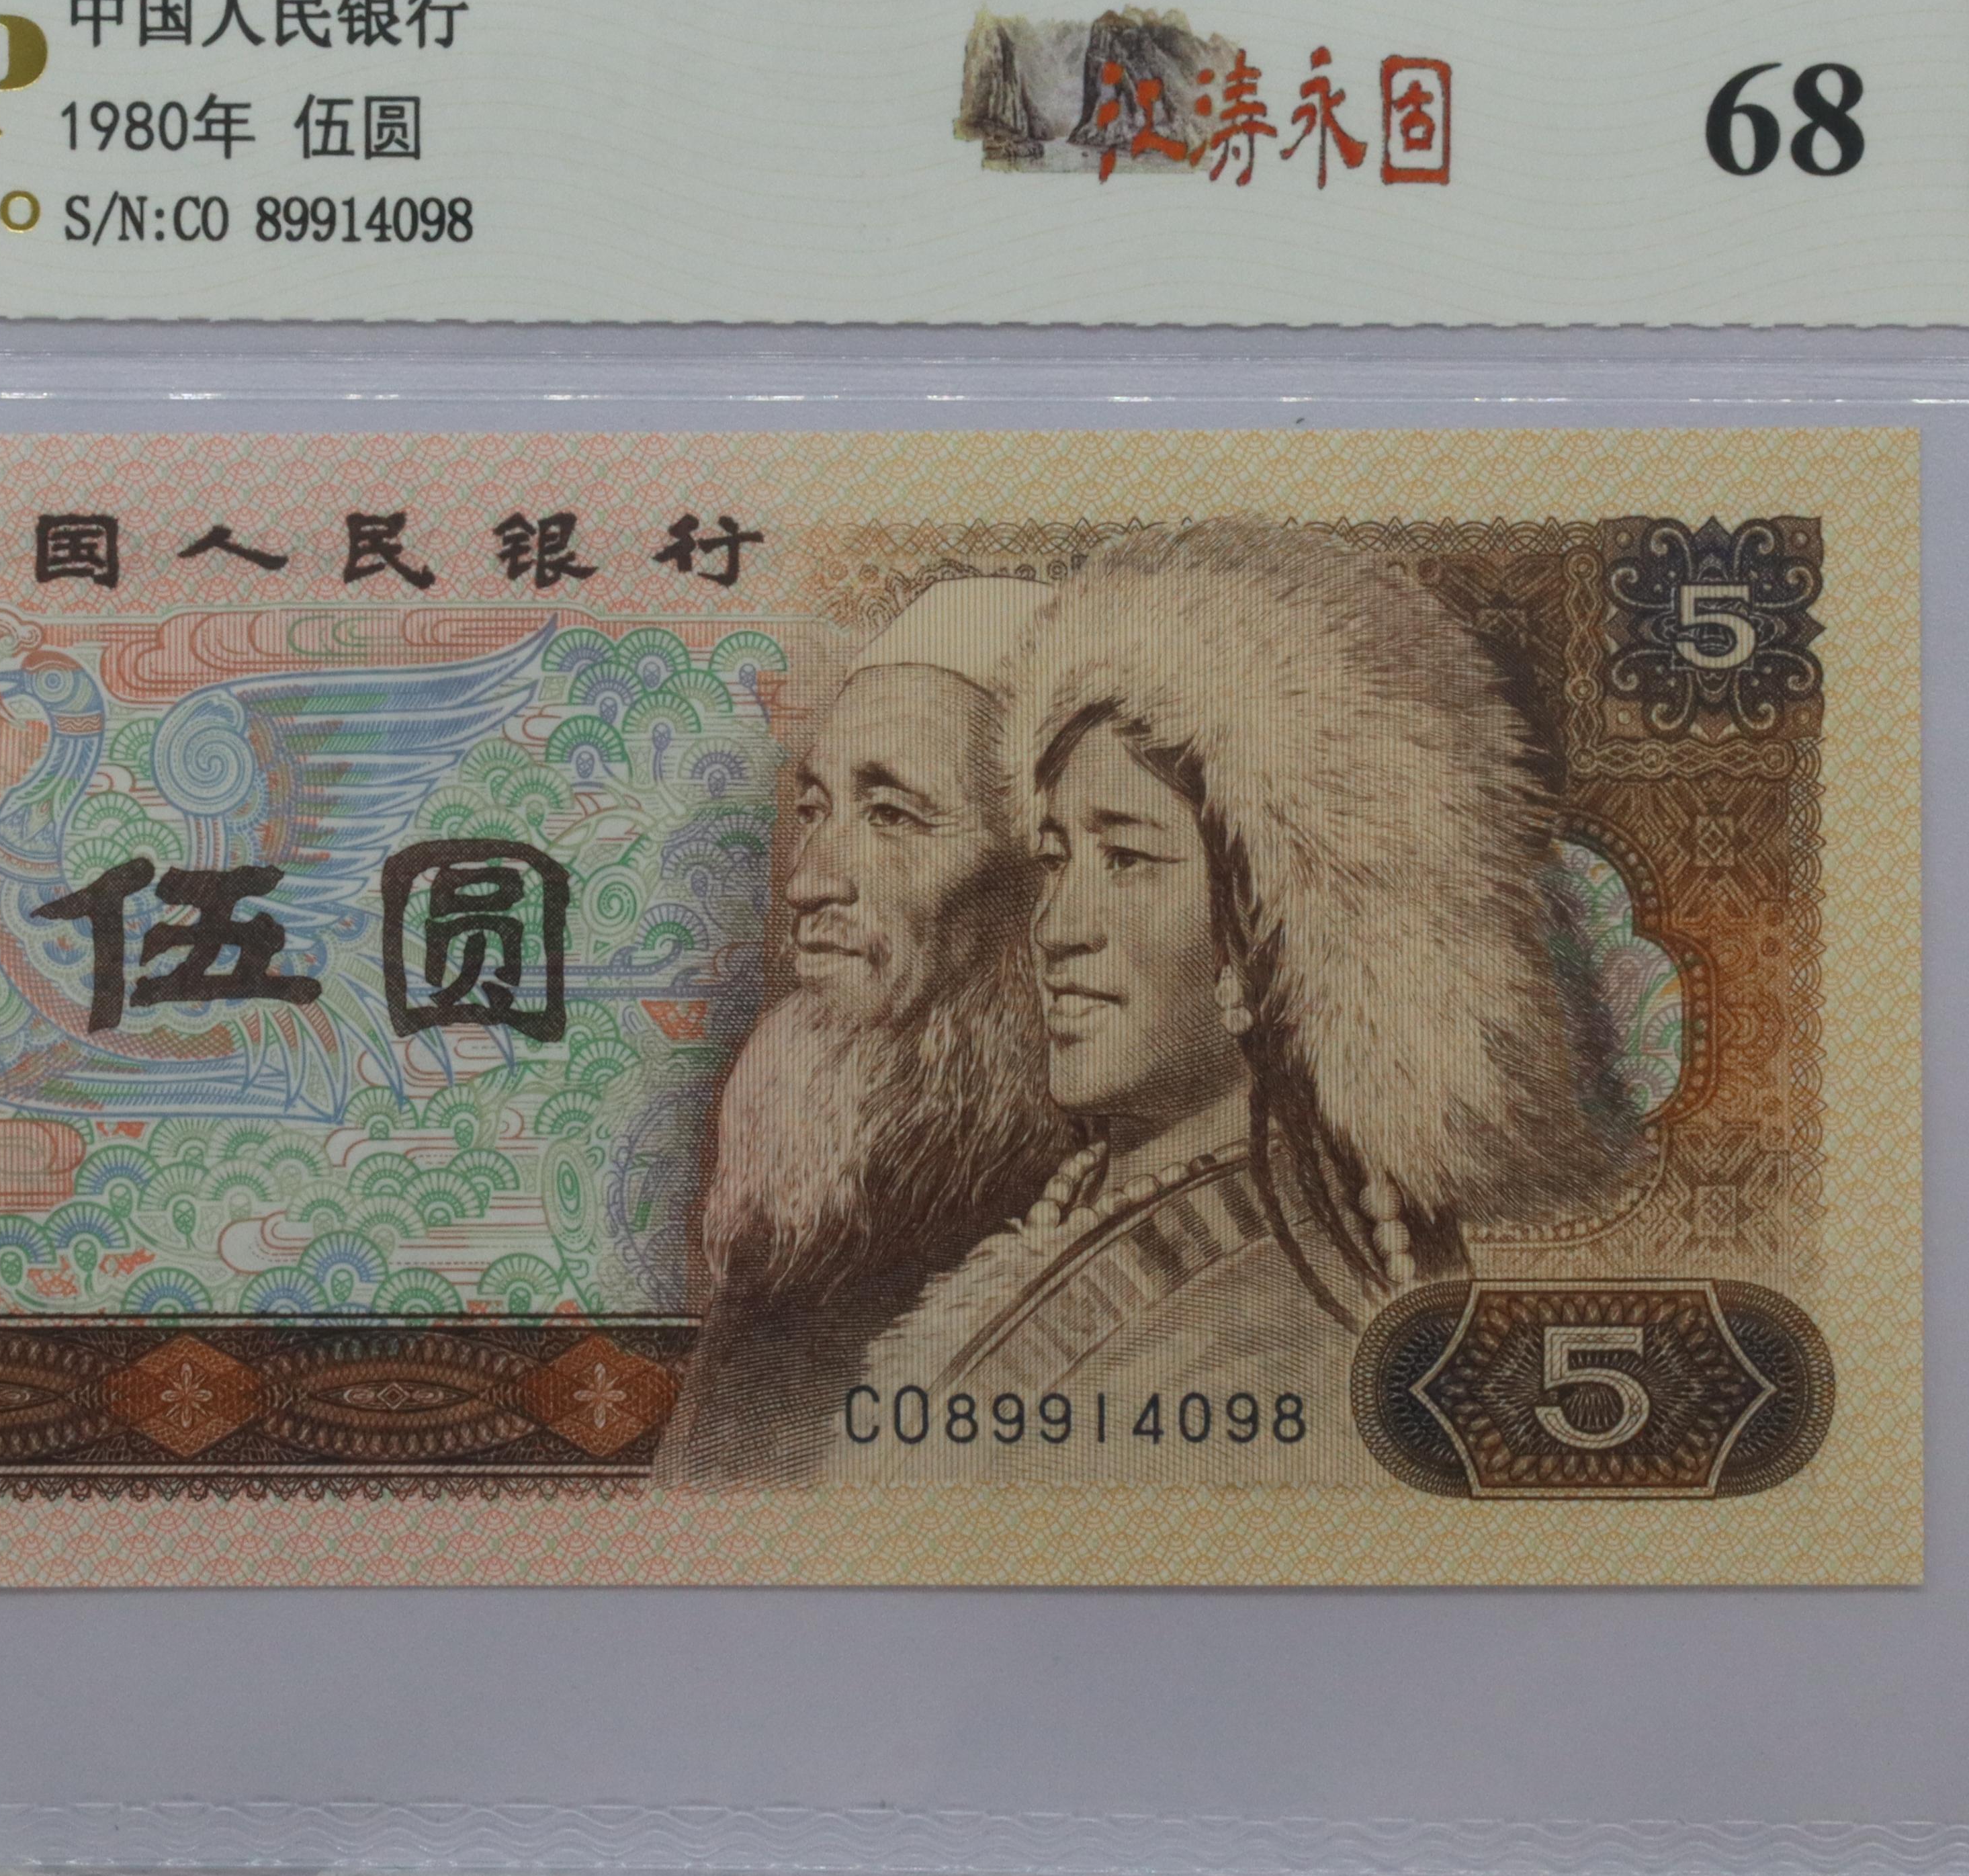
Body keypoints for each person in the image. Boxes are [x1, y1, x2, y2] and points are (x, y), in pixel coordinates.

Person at [842, 519, 1626, 1481]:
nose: (1057, 926)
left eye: (1127, 859)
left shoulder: (1280, 1323)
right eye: (1053, 857)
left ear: (1274, 927)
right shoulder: (1094, 1207)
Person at [657, 575, 1071, 1486]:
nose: (808, 881)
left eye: (891, 814)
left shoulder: (1075, 1223)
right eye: (815, 809)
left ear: (1038, 876)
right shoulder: (800, 1212)